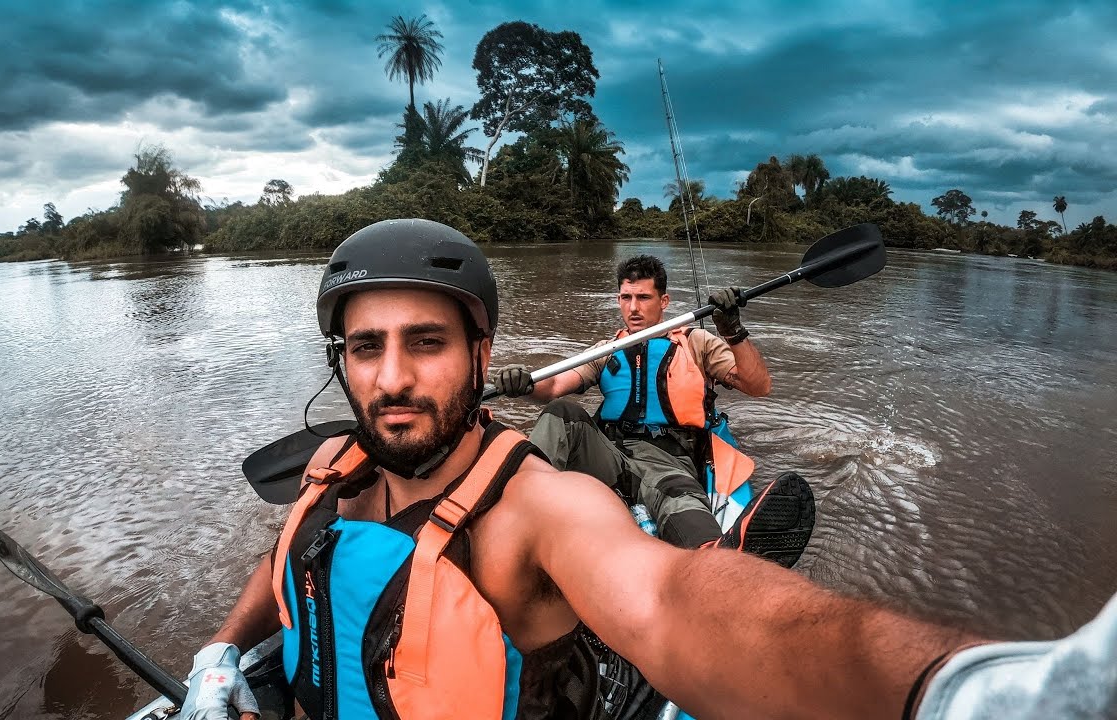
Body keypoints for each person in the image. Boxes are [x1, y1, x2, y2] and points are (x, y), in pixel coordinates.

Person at [179, 219, 1117, 720]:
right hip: (608, 443)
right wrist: (220, 653)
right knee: (558, 424)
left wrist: (941, 690)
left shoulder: (661, 376)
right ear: (340, 361)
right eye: (366, 347)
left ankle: (716, 539)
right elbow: (566, 389)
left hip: (666, 459)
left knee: (659, 491)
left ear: (472, 347)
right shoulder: (337, 468)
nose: (391, 378)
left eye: (427, 342)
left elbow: (672, 602)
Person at [491, 255, 775, 549]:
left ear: (664, 301)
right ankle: (518, 511)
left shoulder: (696, 342)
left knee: (692, 525)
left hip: (670, 463)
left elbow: (758, 386)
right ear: (618, 299)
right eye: (626, 298)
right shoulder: (606, 350)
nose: (633, 307)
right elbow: (553, 387)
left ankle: (715, 555)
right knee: (561, 413)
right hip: (611, 457)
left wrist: (733, 331)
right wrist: (525, 384)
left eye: (643, 297)